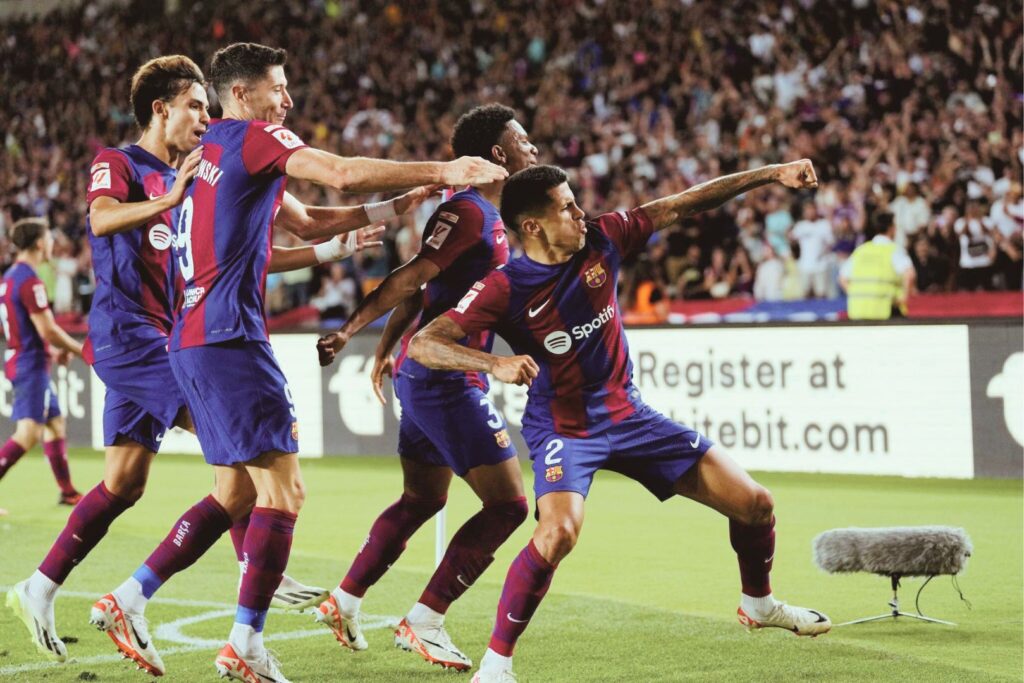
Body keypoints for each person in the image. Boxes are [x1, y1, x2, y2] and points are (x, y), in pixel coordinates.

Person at [97, 42, 505, 683]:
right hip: (231, 338)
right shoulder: (257, 138)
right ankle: (244, 645)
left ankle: (128, 597)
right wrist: (449, 171)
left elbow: (312, 221)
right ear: (242, 96)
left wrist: (393, 205)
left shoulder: (205, 156)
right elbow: (337, 172)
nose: (287, 100)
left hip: (193, 338)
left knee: (235, 493)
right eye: (277, 88)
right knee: (285, 492)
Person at [4, 54, 409, 670]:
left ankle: (40, 586)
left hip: (167, 335)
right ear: (161, 109)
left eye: (206, 105)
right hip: (130, 337)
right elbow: (102, 218)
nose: (204, 116)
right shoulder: (123, 164)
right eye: (194, 105)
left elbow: (250, 250)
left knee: (123, 484)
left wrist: (334, 245)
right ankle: (251, 577)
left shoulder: (204, 169)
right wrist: (170, 196)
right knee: (249, 469)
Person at [408, 162, 831, 682]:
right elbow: (425, 342)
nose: (580, 212)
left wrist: (772, 174)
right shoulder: (505, 286)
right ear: (534, 226)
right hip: (564, 428)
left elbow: (684, 202)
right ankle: (496, 667)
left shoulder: (603, 238)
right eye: (566, 206)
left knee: (756, 504)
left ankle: (759, 603)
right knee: (558, 532)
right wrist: (492, 362)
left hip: (631, 416)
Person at [314, 104, 537, 671]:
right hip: (447, 379)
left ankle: (343, 600)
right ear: (496, 155)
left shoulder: (466, 210)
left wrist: (383, 348)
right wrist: (348, 330)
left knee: (423, 498)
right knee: (509, 505)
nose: (531, 148)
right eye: (522, 140)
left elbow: (420, 289)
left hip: (425, 373)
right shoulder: (472, 214)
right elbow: (410, 279)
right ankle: (426, 618)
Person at [0, 218, 83, 509]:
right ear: (38, 243)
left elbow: (30, 328)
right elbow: (47, 329)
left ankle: (68, 491)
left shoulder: (11, 276)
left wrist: (53, 349)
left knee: (54, 423)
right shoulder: (29, 280)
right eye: (48, 239)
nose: (51, 244)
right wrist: (81, 349)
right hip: (29, 363)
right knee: (29, 433)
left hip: (27, 358)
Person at [839, 213, 915, 320]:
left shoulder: (861, 250)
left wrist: (856, 294)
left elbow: (842, 278)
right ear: (891, 228)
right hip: (885, 311)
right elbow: (909, 274)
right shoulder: (893, 250)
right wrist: (903, 297)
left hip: (858, 311)